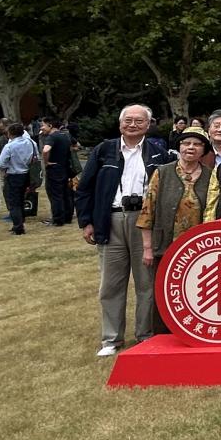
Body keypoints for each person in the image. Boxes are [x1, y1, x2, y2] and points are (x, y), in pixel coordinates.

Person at [75, 104, 175, 357]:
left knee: (146, 283)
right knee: (111, 284)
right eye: (128, 120)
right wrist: (87, 221)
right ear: (120, 123)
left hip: (145, 222)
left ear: (148, 125)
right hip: (111, 219)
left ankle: (145, 335)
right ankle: (111, 339)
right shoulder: (104, 150)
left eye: (139, 121)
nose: (133, 125)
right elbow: (85, 188)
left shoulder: (158, 153)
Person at [137, 124, 213, 332]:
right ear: (179, 146)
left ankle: (193, 331)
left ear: (204, 150)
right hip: (166, 244)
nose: (191, 148)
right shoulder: (163, 173)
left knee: (195, 291)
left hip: (198, 249)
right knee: (164, 291)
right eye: (186, 143)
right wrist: (147, 247)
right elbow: (148, 210)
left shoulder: (211, 176)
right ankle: (161, 334)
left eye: (197, 144)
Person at [0, 122, 37, 235]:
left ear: (10, 133)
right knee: (21, 199)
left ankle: (18, 226)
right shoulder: (31, 142)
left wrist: (6, 168)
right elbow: (36, 158)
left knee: (14, 202)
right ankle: (21, 221)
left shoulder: (9, 146)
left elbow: (0, 163)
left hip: (13, 174)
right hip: (26, 174)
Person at [40, 116, 76, 226]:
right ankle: (68, 217)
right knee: (66, 193)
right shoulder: (65, 135)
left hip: (54, 169)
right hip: (65, 168)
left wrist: (46, 162)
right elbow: (76, 145)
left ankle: (58, 219)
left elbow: (45, 150)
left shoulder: (52, 137)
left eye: (43, 125)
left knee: (55, 195)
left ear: (50, 125)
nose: (41, 128)